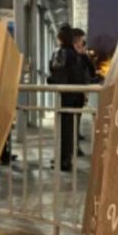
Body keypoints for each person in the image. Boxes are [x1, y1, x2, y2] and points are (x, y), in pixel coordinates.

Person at [49, 24, 88, 171]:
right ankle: (65, 159)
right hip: (74, 97)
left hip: (66, 97)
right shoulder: (75, 55)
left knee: (64, 130)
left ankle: (63, 160)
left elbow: (55, 75)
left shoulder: (61, 53)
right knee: (69, 130)